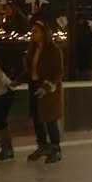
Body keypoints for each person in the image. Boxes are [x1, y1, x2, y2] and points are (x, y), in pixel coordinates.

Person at [20, 21, 64, 163]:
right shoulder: (33, 50)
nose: (32, 34)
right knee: (37, 117)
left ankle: (55, 149)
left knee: (50, 118)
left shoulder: (53, 50)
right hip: (34, 86)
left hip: (48, 89)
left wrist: (48, 86)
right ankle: (42, 145)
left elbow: (58, 72)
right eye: (32, 31)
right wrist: (17, 80)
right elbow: (30, 70)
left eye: (35, 31)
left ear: (44, 33)